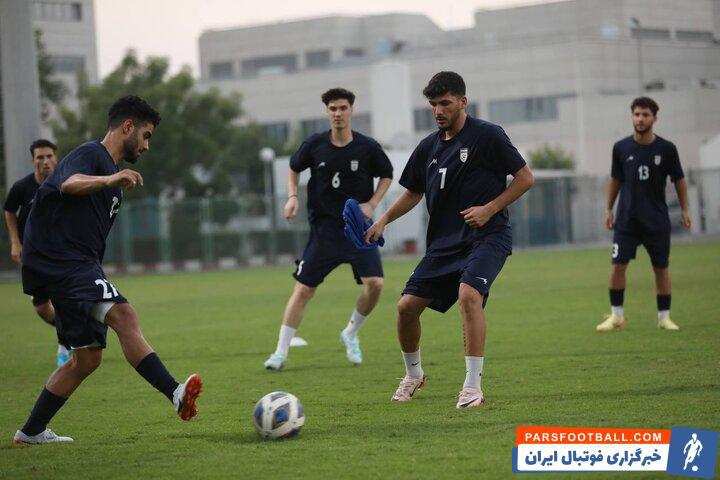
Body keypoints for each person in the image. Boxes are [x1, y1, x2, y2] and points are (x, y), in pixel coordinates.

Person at [13, 95, 202, 445]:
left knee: (86, 360)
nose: (146, 145)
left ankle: (31, 431)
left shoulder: (113, 178)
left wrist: (112, 183)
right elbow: (67, 184)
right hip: (63, 264)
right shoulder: (92, 155)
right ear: (127, 127)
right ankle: (175, 393)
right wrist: (108, 180)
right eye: (145, 135)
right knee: (125, 316)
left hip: (72, 266)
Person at [365, 71, 534, 408]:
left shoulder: (488, 135)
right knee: (405, 308)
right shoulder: (428, 146)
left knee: (469, 296)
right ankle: (414, 376)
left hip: (488, 236)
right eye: (433, 105)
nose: (439, 111)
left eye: (445, 104)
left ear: (462, 102)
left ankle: (472, 388)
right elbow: (413, 192)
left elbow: (525, 178)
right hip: (444, 244)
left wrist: (490, 208)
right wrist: (383, 219)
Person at [264, 88, 393, 371]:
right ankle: (280, 353)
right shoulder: (314, 145)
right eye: (333, 108)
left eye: (343, 108)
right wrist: (293, 197)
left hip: (359, 229)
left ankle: (350, 333)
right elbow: (293, 168)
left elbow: (387, 174)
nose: (338, 113)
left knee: (376, 285)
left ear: (351, 110)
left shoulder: (367, 147)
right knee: (303, 290)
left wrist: (372, 203)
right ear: (327, 112)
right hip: (324, 231)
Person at [596, 97, 691, 332]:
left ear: (654, 119)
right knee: (617, 266)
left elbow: (679, 179)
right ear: (632, 116)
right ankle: (617, 316)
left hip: (656, 220)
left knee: (661, 268)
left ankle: (664, 317)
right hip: (627, 219)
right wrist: (609, 208)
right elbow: (615, 180)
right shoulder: (621, 148)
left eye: (645, 115)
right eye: (637, 114)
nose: (640, 119)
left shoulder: (667, 149)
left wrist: (686, 208)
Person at [3, 139, 70, 366]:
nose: (45, 161)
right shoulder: (22, 188)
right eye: (40, 157)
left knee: (62, 301)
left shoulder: (66, 183)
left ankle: (65, 344)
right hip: (32, 256)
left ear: (56, 157)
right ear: (33, 160)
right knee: (42, 308)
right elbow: (9, 210)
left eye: (49, 156)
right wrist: (15, 241)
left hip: (61, 254)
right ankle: (70, 332)